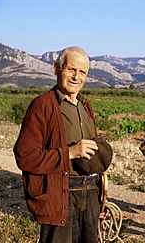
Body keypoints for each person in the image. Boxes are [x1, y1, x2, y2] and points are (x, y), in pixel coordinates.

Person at [14, 46, 102, 243]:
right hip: (62, 193)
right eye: (71, 69)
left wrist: (101, 192)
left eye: (82, 72)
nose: (76, 77)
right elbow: (24, 157)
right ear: (56, 68)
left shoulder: (85, 105)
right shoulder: (42, 105)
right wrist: (69, 153)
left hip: (90, 193)